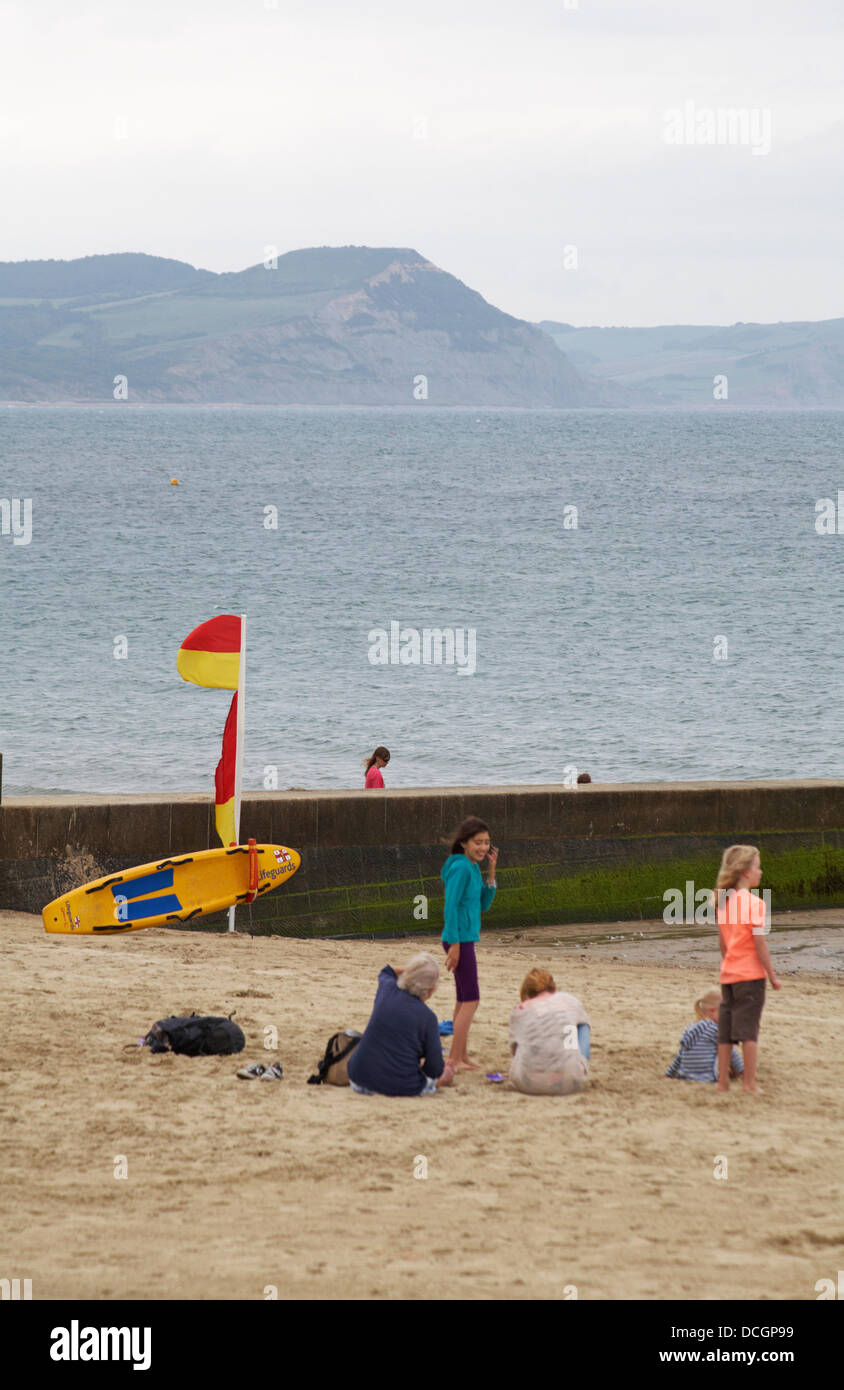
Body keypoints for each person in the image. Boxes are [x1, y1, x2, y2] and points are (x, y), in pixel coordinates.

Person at [714, 845, 781, 1094]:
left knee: (726, 1031)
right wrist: (772, 975)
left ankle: (722, 1083)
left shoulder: (723, 901)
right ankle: (750, 1083)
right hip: (750, 975)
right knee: (749, 1031)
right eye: (757, 866)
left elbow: (722, 942)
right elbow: (759, 943)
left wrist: (728, 963)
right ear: (745, 872)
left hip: (729, 974)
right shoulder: (755, 903)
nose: (760, 871)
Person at [347, 953, 455, 1096]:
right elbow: (434, 1069)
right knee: (445, 1074)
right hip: (399, 1086)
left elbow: (387, 971)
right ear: (431, 990)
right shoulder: (428, 1018)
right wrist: (441, 1075)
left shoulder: (387, 989)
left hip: (357, 1078)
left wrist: (412, 972)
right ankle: (441, 1082)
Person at [441, 817, 497, 1071]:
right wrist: (454, 944)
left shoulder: (473, 867)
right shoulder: (461, 867)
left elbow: (483, 905)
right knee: (471, 999)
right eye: (478, 842)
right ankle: (454, 1058)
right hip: (459, 939)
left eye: (486, 843)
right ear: (464, 843)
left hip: (465, 938)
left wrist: (492, 872)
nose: (483, 848)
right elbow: (450, 906)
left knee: (464, 999)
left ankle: (460, 1056)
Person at [508, 968, 590, 1095]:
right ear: (554, 987)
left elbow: (514, 1049)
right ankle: (575, 1062)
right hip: (571, 1081)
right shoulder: (569, 1000)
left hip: (526, 1083)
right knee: (582, 1024)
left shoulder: (520, 1010)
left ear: (527, 992)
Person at [665, 988, 743, 1084]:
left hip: (684, 1075)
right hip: (707, 1077)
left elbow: (681, 1054)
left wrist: (669, 1073)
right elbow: (731, 1052)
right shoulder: (716, 1029)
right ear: (711, 1011)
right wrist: (743, 1071)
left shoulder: (690, 1028)